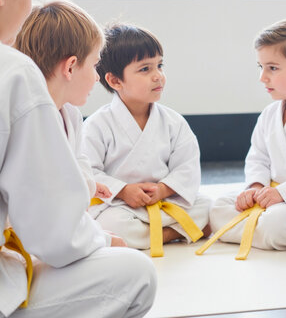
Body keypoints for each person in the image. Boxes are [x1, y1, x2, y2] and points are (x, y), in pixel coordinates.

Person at [0, 0, 156, 317]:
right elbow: (52, 233)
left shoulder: (69, 115)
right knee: (136, 273)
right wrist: (105, 240)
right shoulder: (11, 72)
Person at [205, 18, 286, 258]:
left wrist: (282, 193)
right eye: (260, 67)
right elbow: (258, 158)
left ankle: (269, 233)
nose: (263, 77)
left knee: (275, 224)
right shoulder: (269, 114)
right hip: (268, 195)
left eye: (272, 68)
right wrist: (255, 187)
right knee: (218, 206)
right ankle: (264, 233)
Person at [82, 24, 210, 257]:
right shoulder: (97, 124)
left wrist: (163, 189)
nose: (157, 75)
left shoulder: (173, 122)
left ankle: (152, 236)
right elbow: (87, 172)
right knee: (111, 225)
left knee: (206, 206)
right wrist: (122, 190)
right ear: (114, 80)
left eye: (159, 65)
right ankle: (175, 233)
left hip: (164, 202)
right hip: (120, 206)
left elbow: (187, 167)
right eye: (144, 69)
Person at [14, 0, 111, 201]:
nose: (97, 77)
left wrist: (89, 185)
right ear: (70, 67)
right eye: (94, 65)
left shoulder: (71, 114)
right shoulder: (24, 117)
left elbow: (79, 160)